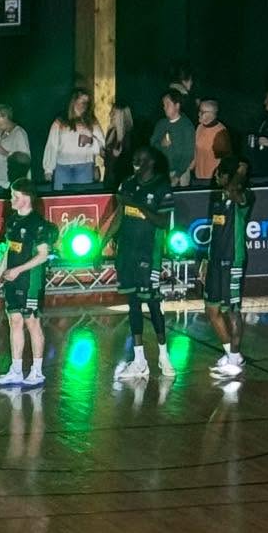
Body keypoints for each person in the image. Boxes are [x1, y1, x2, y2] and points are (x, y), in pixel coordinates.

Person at [103, 146, 176, 382]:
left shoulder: (161, 187)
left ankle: (164, 355)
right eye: (134, 158)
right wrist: (100, 244)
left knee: (153, 304)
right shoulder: (127, 185)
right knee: (133, 304)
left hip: (149, 254)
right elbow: (120, 217)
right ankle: (139, 360)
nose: (136, 160)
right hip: (127, 253)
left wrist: (139, 205)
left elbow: (163, 222)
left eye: (140, 158)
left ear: (151, 162)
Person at [0, 177, 51, 387]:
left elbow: (43, 255)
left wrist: (18, 270)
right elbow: (8, 249)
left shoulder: (38, 224)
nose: (11, 200)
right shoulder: (12, 220)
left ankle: (37, 370)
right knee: (14, 321)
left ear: (26, 198)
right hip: (12, 280)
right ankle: (16, 370)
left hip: (30, 281)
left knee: (32, 322)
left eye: (15, 196)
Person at [199, 156, 254, 379]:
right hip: (215, 259)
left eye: (220, 173)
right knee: (211, 310)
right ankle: (230, 354)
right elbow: (213, 230)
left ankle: (235, 356)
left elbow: (234, 191)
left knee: (233, 309)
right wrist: (205, 259)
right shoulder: (217, 197)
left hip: (233, 260)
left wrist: (240, 171)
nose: (215, 177)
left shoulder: (245, 196)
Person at [42, 88, 104, 188]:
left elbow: (102, 145)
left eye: (85, 103)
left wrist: (90, 141)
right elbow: (52, 145)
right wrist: (48, 169)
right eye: (79, 102)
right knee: (62, 200)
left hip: (84, 167)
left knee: (82, 201)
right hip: (62, 167)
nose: (82, 106)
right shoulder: (60, 121)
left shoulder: (92, 121)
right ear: (73, 102)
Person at [150, 90, 196, 187]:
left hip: (181, 174)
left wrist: (177, 176)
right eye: (163, 105)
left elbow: (188, 154)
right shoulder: (160, 124)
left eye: (167, 104)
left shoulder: (187, 126)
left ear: (177, 106)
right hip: (162, 172)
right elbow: (152, 146)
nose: (164, 107)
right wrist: (161, 144)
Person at [193, 99, 231, 185]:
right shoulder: (200, 127)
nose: (198, 114)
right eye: (199, 111)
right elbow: (196, 151)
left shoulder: (220, 133)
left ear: (211, 114)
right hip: (198, 177)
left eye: (202, 112)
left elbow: (224, 162)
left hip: (211, 180)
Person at [104, 101, 134, 188]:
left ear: (121, 116)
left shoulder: (130, 135)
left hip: (122, 180)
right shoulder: (111, 132)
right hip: (109, 177)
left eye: (113, 113)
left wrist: (117, 156)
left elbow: (129, 162)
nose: (110, 115)